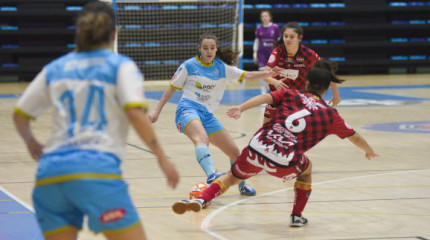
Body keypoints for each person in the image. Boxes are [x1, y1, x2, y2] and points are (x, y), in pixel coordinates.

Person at [12, 2, 179, 240]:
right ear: (114, 33)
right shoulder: (121, 66)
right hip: (96, 174)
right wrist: (162, 158)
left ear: (79, 32)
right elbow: (134, 113)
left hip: (50, 176)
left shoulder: (55, 68)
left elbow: (19, 115)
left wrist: (31, 142)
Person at [171, 59, 379, 227]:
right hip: (283, 162)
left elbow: (264, 98)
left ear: (306, 83)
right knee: (307, 169)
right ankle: (296, 216)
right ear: (325, 89)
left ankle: (201, 199)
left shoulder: (290, 93)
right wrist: (368, 150)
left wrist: (240, 108)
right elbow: (355, 137)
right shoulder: (330, 115)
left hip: (257, 148)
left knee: (231, 177)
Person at [149, 32, 281, 196]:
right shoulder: (188, 66)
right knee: (202, 139)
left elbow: (248, 75)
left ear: (216, 49)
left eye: (212, 48)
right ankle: (212, 175)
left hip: (207, 115)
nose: (209, 51)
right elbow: (171, 88)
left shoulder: (221, 67)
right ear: (199, 49)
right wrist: (157, 110)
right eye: (205, 48)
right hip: (187, 109)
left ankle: (242, 184)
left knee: (235, 152)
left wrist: (268, 74)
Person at [262, 21, 342, 124]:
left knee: (297, 130)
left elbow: (327, 72)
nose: (288, 39)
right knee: (265, 129)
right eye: (286, 36)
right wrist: (275, 82)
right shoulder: (278, 52)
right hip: (277, 96)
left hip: (298, 97)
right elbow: (264, 74)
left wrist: (336, 95)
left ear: (299, 38)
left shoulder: (308, 54)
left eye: (292, 37)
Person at [253, 10, 281, 95]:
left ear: (270, 17)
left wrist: (280, 52)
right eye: (262, 16)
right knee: (262, 73)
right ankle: (263, 92)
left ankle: (275, 92)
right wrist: (254, 53)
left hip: (272, 54)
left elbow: (279, 40)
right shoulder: (259, 28)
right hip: (262, 53)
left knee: (274, 73)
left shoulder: (275, 27)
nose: (264, 18)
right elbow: (256, 41)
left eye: (266, 16)